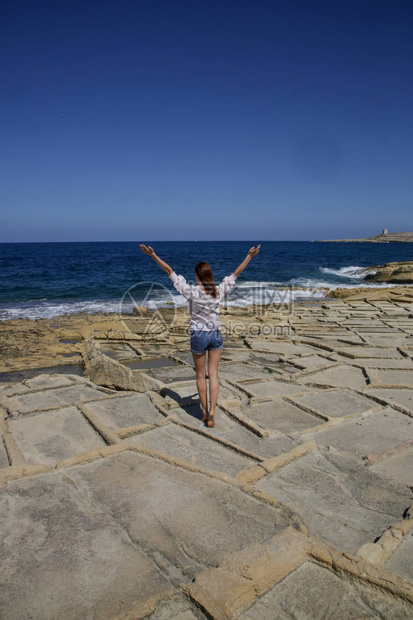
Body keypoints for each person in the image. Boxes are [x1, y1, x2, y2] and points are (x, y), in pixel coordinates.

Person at [140, 243, 261, 427]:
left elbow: (169, 271)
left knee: (200, 376)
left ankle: (204, 412)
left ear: (197, 276)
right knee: (213, 374)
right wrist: (249, 256)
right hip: (215, 335)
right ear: (209, 276)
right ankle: (213, 410)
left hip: (198, 336)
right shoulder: (218, 291)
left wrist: (153, 255)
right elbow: (235, 274)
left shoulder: (191, 291)